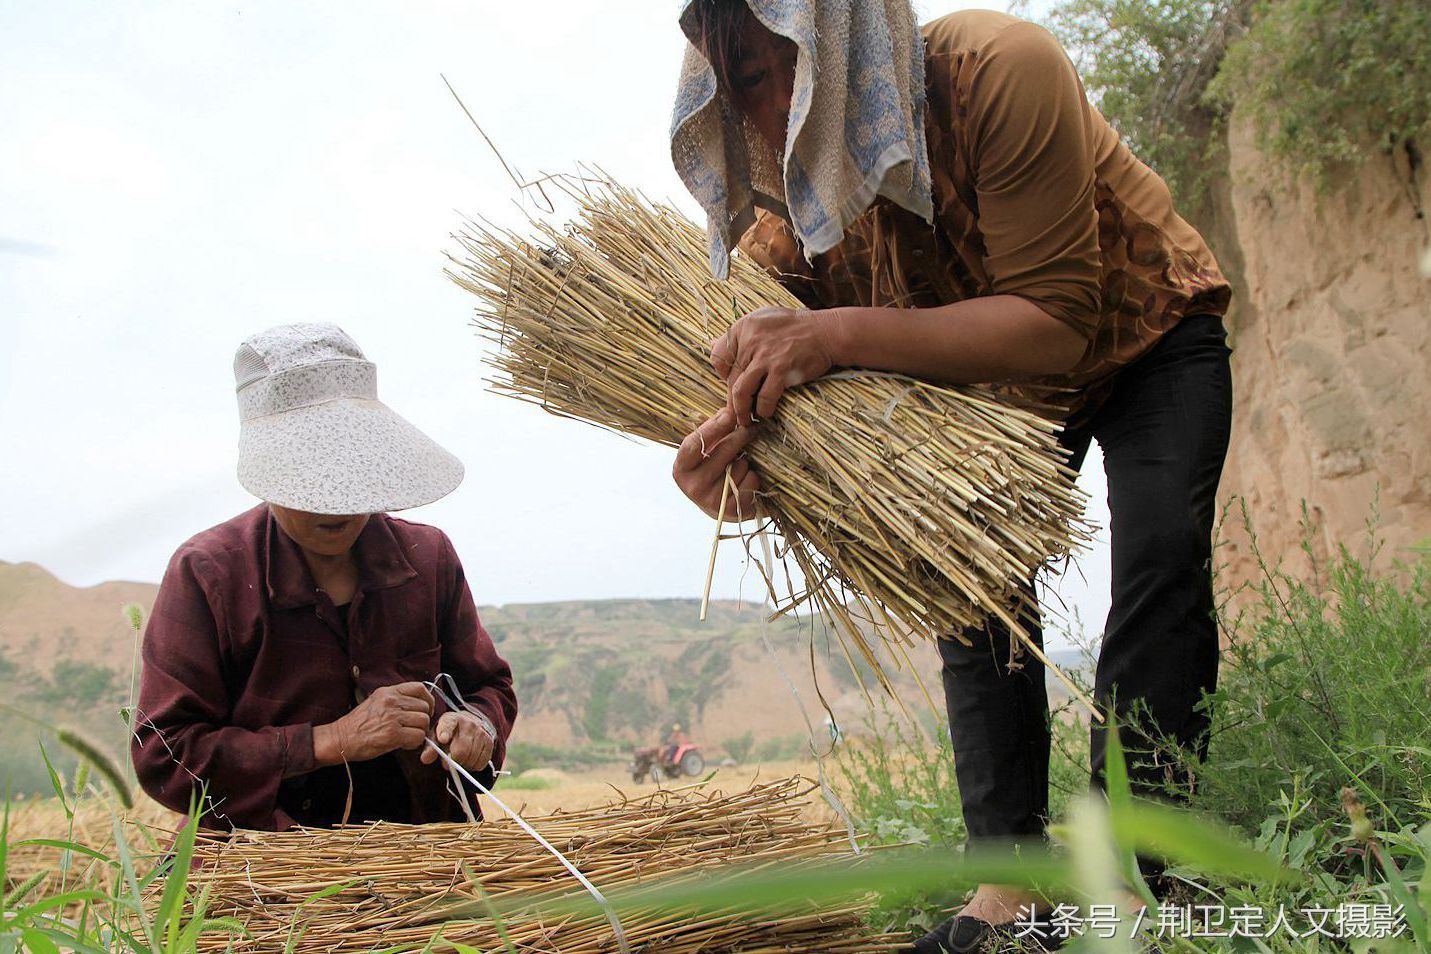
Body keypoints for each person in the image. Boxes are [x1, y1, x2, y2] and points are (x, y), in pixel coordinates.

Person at [669, 2, 1233, 950]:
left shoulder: (996, 69)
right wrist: (732, 467)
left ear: (839, 46)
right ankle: (1006, 888)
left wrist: (834, 334)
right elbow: (774, 387)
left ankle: (1133, 872)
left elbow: (1054, 320)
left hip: (1141, 337)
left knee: (1160, 560)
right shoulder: (786, 216)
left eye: (775, 70)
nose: (766, 118)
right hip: (984, 397)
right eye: (740, 90)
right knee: (970, 594)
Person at [132, 323, 518, 831]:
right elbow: (165, 756)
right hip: (260, 869)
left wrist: (478, 724)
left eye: (347, 476)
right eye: (309, 482)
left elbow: (488, 686)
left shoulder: (429, 557)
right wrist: (332, 740)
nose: (334, 506)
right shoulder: (210, 572)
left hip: (425, 857)